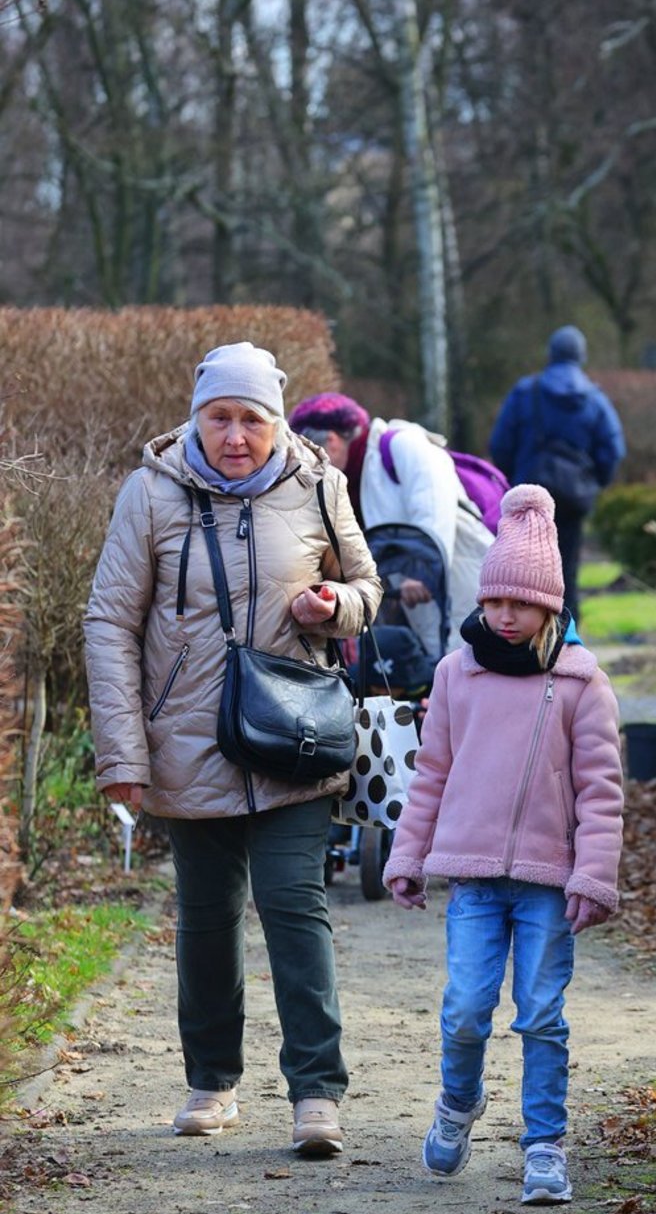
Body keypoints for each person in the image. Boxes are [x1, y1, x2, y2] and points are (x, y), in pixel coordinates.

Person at [83, 342, 382, 1156]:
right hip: (187, 740)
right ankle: (211, 1080)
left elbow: (368, 587)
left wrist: (336, 605)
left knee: (295, 905)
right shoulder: (150, 494)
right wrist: (123, 755)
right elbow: (108, 623)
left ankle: (316, 1092)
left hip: (294, 732)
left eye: (253, 419)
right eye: (221, 417)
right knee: (208, 918)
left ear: (277, 421)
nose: (237, 436)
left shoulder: (319, 482)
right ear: (197, 417)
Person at [381, 484, 624, 1205]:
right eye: (495, 601)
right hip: (476, 882)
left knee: (542, 1012)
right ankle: (459, 1102)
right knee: (465, 1006)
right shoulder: (457, 676)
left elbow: (603, 791)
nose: (505, 614)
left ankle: (544, 1144)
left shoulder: (581, 683)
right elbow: (431, 773)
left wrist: (594, 875)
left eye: (520, 603)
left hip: (550, 882)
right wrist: (407, 855)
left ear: (549, 605)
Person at [287, 393, 492, 650]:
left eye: (314, 455)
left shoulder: (403, 444)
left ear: (332, 441)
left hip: (464, 579)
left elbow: (433, 506)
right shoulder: (351, 480)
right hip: (418, 600)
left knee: (472, 658)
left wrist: (421, 572)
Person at [488, 326, 626, 623]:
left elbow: (500, 443)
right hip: (574, 497)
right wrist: (594, 483)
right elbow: (613, 449)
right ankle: (568, 637)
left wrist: (513, 480)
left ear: (550, 353)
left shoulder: (526, 392)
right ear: (581, 355)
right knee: (567, 566)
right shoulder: (594, 398)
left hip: (529, 495)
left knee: (525, 568)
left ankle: (526, 634)